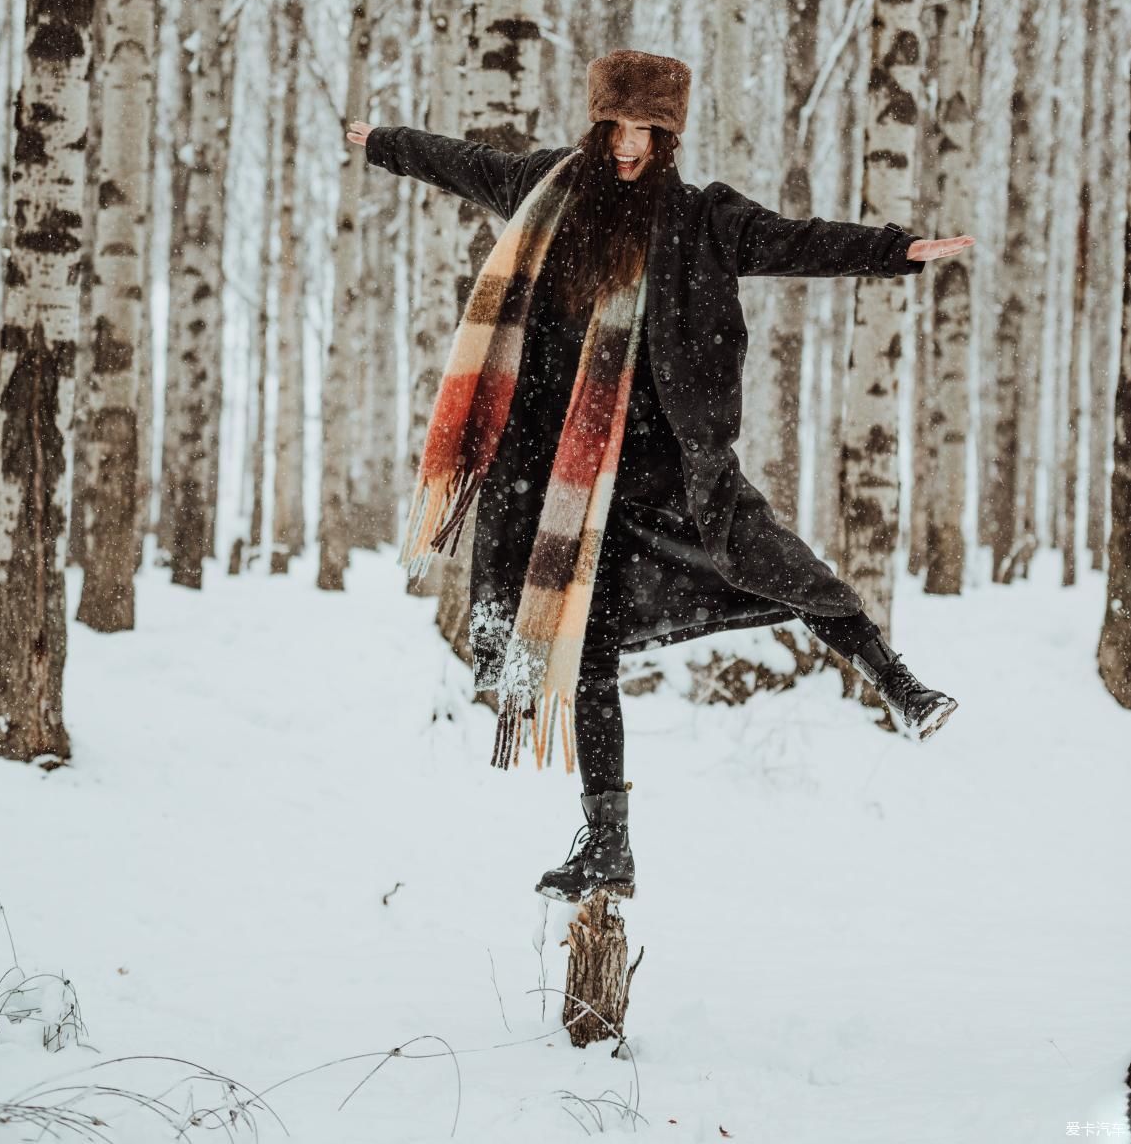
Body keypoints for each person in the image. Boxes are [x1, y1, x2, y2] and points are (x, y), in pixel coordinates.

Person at [348, 49, 973, 904]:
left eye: (650, 130)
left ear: (670, 137)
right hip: (560, 476)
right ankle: (607, 840)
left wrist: (894, 248)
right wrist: (382, 140)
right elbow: (460, 162)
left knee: (773, 558)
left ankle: (897, 683)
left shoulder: (698, 219)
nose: (630, 145)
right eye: (619, 126)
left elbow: (793, 241)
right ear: (598, 121)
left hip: (665, 464)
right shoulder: (543, 193)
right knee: (592, 654)